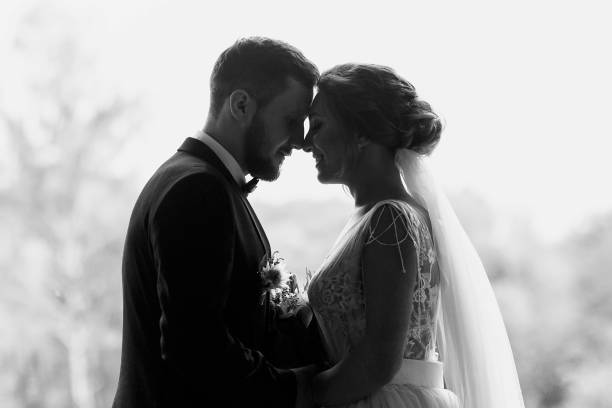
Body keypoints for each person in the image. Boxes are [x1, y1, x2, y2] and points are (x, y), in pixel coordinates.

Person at [113, 37, 324, 408]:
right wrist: (297, 389)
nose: (299, 141)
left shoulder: (204, 182)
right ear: (241, 105)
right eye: (291, 121)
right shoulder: (196, 190)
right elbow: (194, 346)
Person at [302, 63, 525, 407]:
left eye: (317, 125)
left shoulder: (391, 219)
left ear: (361, 132)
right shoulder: (374, 216)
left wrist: (303, 395)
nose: (306, 142)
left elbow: (379, 362)